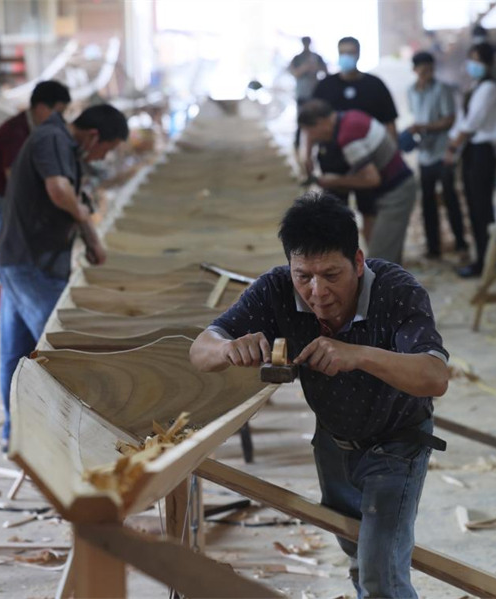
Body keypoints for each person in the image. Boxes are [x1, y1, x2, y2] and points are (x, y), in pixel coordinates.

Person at [189, 192, 449, 599]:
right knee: (356, 550)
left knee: (382, 575)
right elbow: (200, 349)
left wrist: (359, 355)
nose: (317, 292)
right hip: (333, 442)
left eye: (332, 275)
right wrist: (228, 349)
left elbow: (435, 376)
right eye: (304, 275)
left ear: (358, 262)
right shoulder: (274, 289)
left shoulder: (396, 290)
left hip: (398, 441)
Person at [0, 104, 128, 450]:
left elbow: (75, 196)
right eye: (106, 149)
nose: (101, 158)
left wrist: (92, 240)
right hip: (29, 263)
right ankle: (55, 442)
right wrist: (83, 214)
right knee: (55, 353)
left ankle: (18, 437)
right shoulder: (51, 138)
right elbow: (59, 191)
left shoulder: (66, 148)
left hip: (26, 260)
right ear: (94, 136)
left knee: (18, 352)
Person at [299, 99, 416, 265]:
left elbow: (372, 179)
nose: (311, 137)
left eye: (310, 132)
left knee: (379, 261)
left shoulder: (348, 137)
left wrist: (335, 181)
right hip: (395, 186)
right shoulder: (350, 116)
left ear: (321, 123)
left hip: (396, 193)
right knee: (390, 256)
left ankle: (387, 290)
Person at [310, 36, 399, 244]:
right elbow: (310, 124)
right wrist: (305, 154)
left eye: (350, 52)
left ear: (358, 54)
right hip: (333, 162)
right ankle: (342, 255)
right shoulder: (325, 87)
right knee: (335, 216)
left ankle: (373, 257)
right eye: (343, 53)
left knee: (370, 210)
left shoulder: (375, 85)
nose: (346, 57)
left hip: (367, 162)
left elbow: (390, 124)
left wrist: (391, 159)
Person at [0, 80, 71, 248]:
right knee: (10, 255)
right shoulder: (16, 132)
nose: (61, 120)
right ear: (42, 108)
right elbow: (15, 177)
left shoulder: (36, 131)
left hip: (10, 200)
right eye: (59, 113)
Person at [445, 43, 496, 278]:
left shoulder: (489, 88)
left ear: (488, 64)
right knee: (473, 207)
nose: (473, 65)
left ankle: (487, 261)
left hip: (482, 151)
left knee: (482, 208)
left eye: (477, 60)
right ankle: (483, 258)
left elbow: (472, 123)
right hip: (470, 151)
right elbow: (461, 120)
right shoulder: (474, 87)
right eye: (471, 59)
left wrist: (452, 147)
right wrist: (453, 142)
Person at [407, 51, 468, 259]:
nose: (427, 75)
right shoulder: (411, 92)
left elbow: (449, 120)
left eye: (430, 70)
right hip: (425, 154)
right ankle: (434, 248)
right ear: (415, 71)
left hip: (442, 153)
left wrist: (424, 127)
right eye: (423, 71)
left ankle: (460, 242)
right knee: (427, 202)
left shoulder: (441, 89)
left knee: (450, 197)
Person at [288, 36, 327, 150]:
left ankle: (318, 142)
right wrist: (304, 68)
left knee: (317, 118)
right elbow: (294, 73)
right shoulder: (297, 58)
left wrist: (316, 67)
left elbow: (325, 71)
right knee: (301, 119)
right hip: (302, 93)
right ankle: (298, 143)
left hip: (314, 92)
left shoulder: (317, 57)